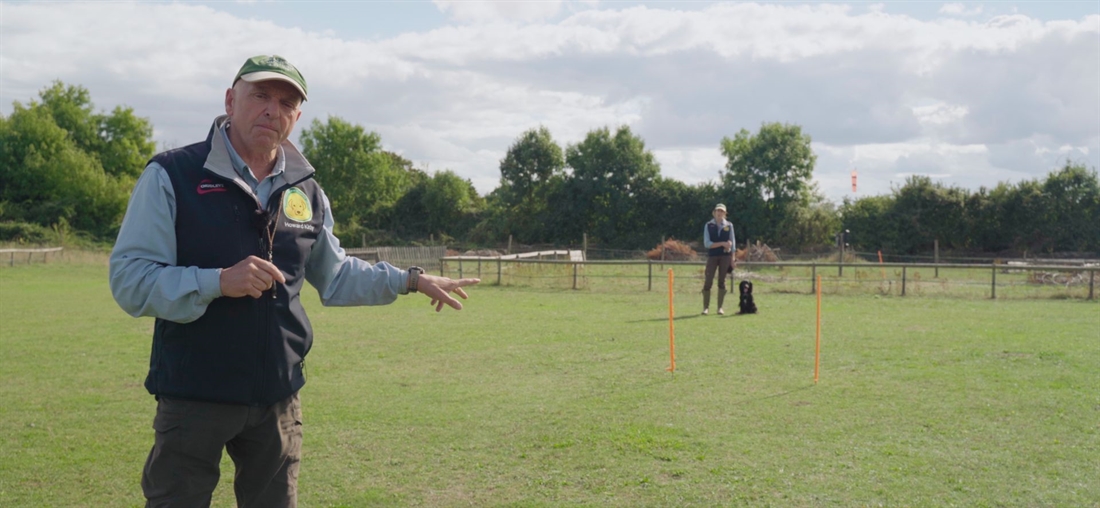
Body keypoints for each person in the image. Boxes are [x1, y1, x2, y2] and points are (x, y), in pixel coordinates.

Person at [109, 55, 480, 508]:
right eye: (260, 95)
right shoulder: (173, 175)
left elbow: (337, 275)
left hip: (278, 400)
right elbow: (129, 280)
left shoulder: (306, 191)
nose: (272, 110)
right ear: (230, 100)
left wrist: (410, 280)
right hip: (194, 395)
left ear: (297, 116)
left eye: (287, 102)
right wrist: (217, 281)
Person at [701, 203, 736, 315]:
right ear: (714, 212)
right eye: (718, 211)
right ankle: (705, 308)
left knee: (722, 281)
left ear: (725, 213)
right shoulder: (708, 225)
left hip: (725, 257)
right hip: (712, 256)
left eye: (722, 211)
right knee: (708, 280)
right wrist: (722, 243)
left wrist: (732, 259)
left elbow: (732, 244)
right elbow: (707, 244)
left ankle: (720, 308)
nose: (719, 213)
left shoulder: (729, 225)